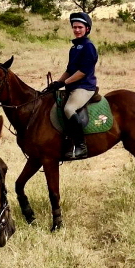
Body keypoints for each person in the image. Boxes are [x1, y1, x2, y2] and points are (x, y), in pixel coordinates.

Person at [46, 11, 98, 160]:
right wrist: (57, 82)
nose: (77, 30)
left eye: (80, 27)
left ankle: (81, 146)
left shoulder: (88, 47)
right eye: (74, 27)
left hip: (84, 87)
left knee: (69, 109)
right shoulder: (75, 48)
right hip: (73, 86)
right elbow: (69, 70)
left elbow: (82, 72)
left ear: (87, 29)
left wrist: (64, 83)